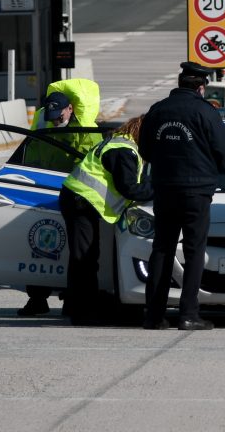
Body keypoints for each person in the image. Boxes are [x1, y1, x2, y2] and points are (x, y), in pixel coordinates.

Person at [138, 61, 225, 331]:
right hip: (197, 191)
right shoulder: (205, 112)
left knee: (162, 249)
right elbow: (223, 150)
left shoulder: (157, 110)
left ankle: (154, 315)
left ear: (180, 84)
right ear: (201, 87)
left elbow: (144, 149)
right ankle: (189, 313)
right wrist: (216, 169)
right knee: (194, 251)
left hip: (164, 188)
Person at [18, 77, 102, 317]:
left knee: (76, 253)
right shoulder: (42, 129)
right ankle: (36, 298)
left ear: (70, 109)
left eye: (59, 116)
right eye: (51, 116)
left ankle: (72, 298)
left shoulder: (87, 133)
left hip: (75, 198)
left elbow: (90, 168)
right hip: (43, 194)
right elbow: (30, 158)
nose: (56, 121)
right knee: (40, 249)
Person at [60, 115, 152, 326]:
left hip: (79, 200)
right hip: (80, 201)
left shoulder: (119, 144)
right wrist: (159, 189)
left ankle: (74, 306)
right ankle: (82, 314)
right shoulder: (124, 151)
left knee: (84, 256)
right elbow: (128, 187)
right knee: (85, 258)